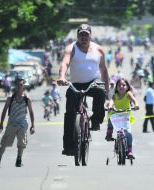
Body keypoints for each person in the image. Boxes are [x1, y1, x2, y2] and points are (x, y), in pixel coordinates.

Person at [58, 24, 109, 156]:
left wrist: (107, 89)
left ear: (90, 35)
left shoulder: (99, 49)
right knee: (69, 114)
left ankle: (96, 120)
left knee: (100, 91)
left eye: (86, 34)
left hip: (93, 82)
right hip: (76, 84)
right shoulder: (71, 48)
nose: (84, 37)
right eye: (81, 34)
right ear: (77, 36)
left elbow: (103, 70)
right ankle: (69, 147)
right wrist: (62, 76)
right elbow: (65, 63)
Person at [0, 78, 35, 167]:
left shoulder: (27, 99)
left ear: (24, 87)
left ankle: (19, 160)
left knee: (21, 144)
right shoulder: (10, 98)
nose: (20, 86)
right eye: (18, 85)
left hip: (22, 124)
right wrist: (1, 124)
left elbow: (31, 112)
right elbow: (4, 110)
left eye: (21, 85)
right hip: (12, 124)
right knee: (4, 143)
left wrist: (33, 125)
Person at [105, 78, 139, 159]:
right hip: (116, 115)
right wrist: (110, 106)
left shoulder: (128, 94)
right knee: (110, 119)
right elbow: (111, 101)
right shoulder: (115, 95)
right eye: (119, 85)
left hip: (126, 116)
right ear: (116, 87)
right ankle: (109, 133)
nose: (121, 86)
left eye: (124, 85)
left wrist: (136, 105)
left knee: (128, 134)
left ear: (127, 87)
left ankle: (130, 151)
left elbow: (134, 100)